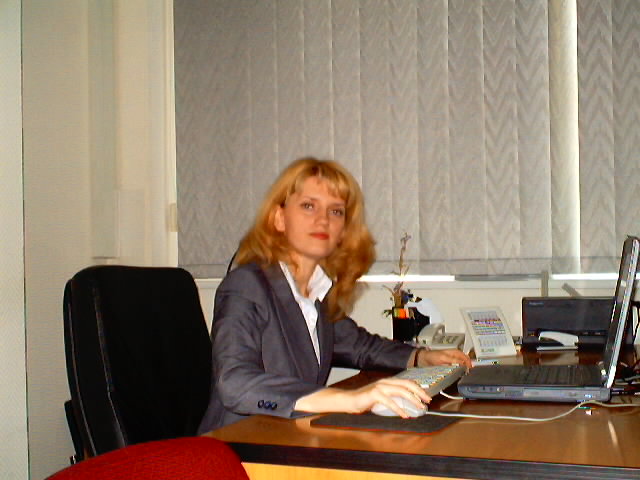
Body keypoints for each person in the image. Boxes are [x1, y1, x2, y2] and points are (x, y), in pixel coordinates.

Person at [197, 157, 471, 433]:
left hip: (292, 436)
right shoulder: (246, 285)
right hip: (239, 443)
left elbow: (359, 346)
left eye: (336, 211)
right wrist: (350, 399)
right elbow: (234, 383)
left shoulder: (317, 292)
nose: (323, 219)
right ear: (279, 218)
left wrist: (421, 358)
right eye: (308, 206)